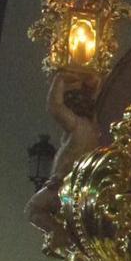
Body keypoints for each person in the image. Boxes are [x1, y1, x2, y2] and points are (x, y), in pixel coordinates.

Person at [24, 70, 102, 233]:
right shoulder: (94, 130)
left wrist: (59, 79)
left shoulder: (76, 125)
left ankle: (60, 235)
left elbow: (54, 106)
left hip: (62, 187)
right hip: (82, 189)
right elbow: (96, 102)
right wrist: (94, 85)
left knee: (33, 209)